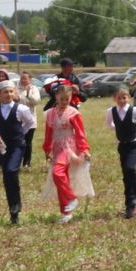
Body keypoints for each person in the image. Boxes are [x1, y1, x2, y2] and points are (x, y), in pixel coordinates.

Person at [0, 81, 36, 225]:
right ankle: (13, 210)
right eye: (5, 92)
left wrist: (21, 134)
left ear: (14, 93)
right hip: (3, 146)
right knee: (7, 177)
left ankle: (17, 204)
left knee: (11, 170)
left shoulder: (21, 108)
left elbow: (29, 122)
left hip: (17, 146)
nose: (8, 94)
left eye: (10, 92)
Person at [43, 82, 90, 223]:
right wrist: (47, 149)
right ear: (56, 96)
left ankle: (71, 198)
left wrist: (84, 149)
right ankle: (67, 212)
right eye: (61, 98)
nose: (64, 102)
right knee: (61, 178)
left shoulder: (73, 113)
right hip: (57, 148)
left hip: (68, 147)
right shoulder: (50, 114)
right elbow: (48, 133)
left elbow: (80, 133)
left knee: (57, 173)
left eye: (67, 99)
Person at [106, 87, 136, 218]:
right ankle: (130, 205)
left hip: (135, 144)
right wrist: (118, 129)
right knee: (126, 175)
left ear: (128, 98)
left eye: (124, 97)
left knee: (130, 168)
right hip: (122, 145)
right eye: (119, 97)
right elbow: (110, 125)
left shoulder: (135, 110)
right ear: (115, 99)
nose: (122, 100)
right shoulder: (111, 111)